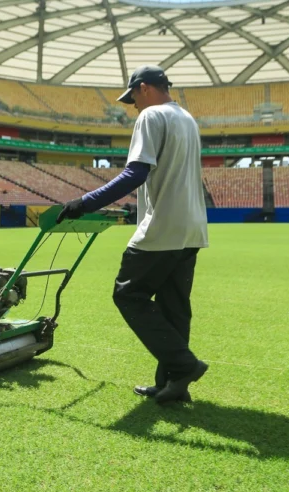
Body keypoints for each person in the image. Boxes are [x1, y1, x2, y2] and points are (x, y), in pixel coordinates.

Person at [57, 65, 209, 404]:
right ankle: (173, 385)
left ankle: (183, 366)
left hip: (163, 228)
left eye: (133, 100)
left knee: (128, 295)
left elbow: (135, 173)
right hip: (192, 229)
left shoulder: (151, 116)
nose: (133, 107)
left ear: (143, 88)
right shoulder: (187, 118)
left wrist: (85, 202)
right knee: (174, 307)